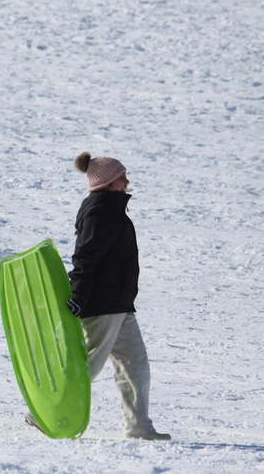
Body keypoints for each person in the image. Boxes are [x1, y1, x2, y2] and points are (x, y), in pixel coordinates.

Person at [61, 152, 170, 441]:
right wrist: (80, 295)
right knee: (89, 365)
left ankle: (138, 427)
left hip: (119, 304)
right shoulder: (101, 212)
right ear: (108, 182)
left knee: (135, 365)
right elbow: (85, 257)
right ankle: (43, 410)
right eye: (122, 177)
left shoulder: (110, 210)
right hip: (102, 304)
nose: (127, 181)